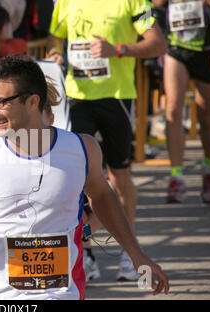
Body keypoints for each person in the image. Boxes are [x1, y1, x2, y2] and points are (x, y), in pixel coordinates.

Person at [0, 55, 170, 300]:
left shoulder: (82, 148)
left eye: (0, 102)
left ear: (33, 102)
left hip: (64, 294)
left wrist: (137, 254)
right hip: (1, 297)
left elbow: (103, 198)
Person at [47, 0, 168, 282]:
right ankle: (85, 253)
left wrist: (119, 50)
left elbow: (158, 43)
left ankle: (129, 252)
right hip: (76, 97)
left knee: (119, 175)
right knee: (76, 178)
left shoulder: (136, 2)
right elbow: (55, 36)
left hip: (117, 96)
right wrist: (55, 53)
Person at [152, 0, 210, 204]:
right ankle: (176, 176)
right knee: (172, 109)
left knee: (206, 113)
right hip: (176, 49)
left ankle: (209, 167)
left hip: (208, 50)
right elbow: (152, 6)